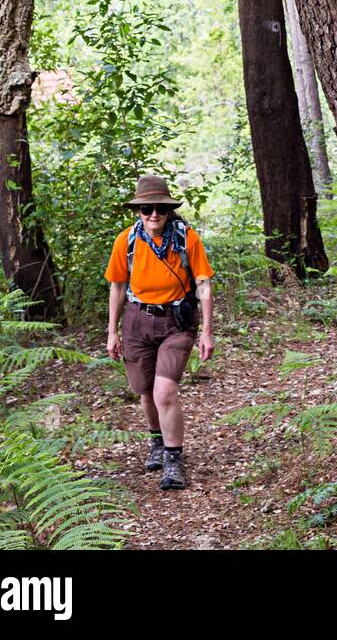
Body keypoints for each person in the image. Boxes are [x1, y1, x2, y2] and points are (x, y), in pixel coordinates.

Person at [105, 175, 214, 489]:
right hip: (138, 321)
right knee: (145, 390)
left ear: (169, 211)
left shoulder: (186, 239)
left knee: (164, 391)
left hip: (176, 322)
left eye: (160, 209)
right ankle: (156, 441)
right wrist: (112, 331)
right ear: (138, 211)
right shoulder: (126, 241)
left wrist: (207, 331)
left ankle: (173, 459)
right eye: (147, 208)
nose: (154, 214)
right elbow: (117, 286)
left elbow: (204, 284)